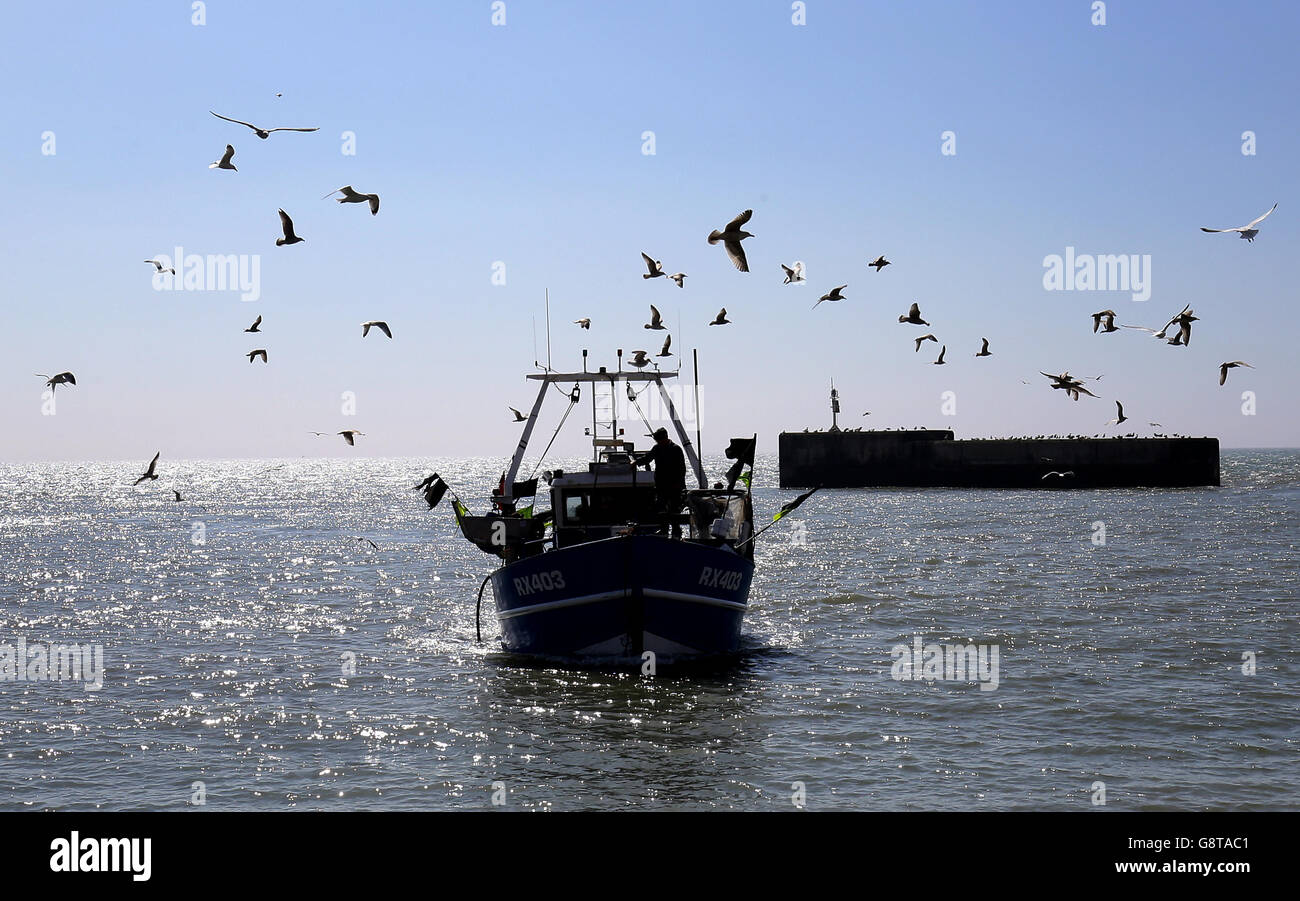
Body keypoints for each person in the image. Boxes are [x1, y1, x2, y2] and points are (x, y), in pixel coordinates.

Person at [633, 428, 687, 538]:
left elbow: (682, 469)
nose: (657, 442)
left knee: (674, 510)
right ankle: (663, 530)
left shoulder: (676, 449)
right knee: (661, 508)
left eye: (659, 440)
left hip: (674, 486)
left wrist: (679, 484)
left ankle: (676, 532)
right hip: (661, 485)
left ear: (665, 438)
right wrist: (636, 462)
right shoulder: (657, 448)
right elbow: (648, 458)